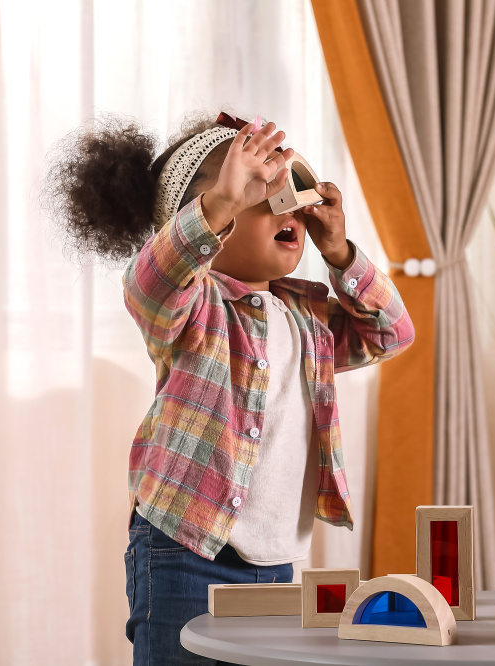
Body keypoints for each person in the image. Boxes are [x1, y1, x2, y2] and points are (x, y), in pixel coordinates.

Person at [43, 110, 414, 664]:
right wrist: (220, 203)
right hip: (184, 549)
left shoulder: (308, 317)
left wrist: (340, 252)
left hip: (277, 561)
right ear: (206, 219)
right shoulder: (194, 306)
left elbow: (392, 333)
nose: (284, 208)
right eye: (258, 193)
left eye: (291, 192)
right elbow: (149, 281)